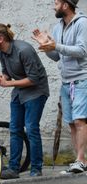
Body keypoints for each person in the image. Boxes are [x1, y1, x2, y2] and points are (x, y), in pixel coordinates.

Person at [32, 0, 87, 173]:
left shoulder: (82, 23)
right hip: (66, 82)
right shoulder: (57, 27)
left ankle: (79, 159)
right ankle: (81, 160)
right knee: (71, 123)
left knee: (80, 121)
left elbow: (82, 50)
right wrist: (46, 47)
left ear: (65, 5)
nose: (53, 6)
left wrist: (56, 45)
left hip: (82, 79)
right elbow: (57, 56)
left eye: (56, 3)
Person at [0, 23, 49, 179]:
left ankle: (36, 168)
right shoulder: (1, 53)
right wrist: (1, 78)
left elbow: (34, 79)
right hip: (20, 93)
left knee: (31, 128)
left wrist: (8, 83)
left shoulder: (24, 50)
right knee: (15, 129)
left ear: (0, 38)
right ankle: (14, 169)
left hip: (36, 91)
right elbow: (7, 74)